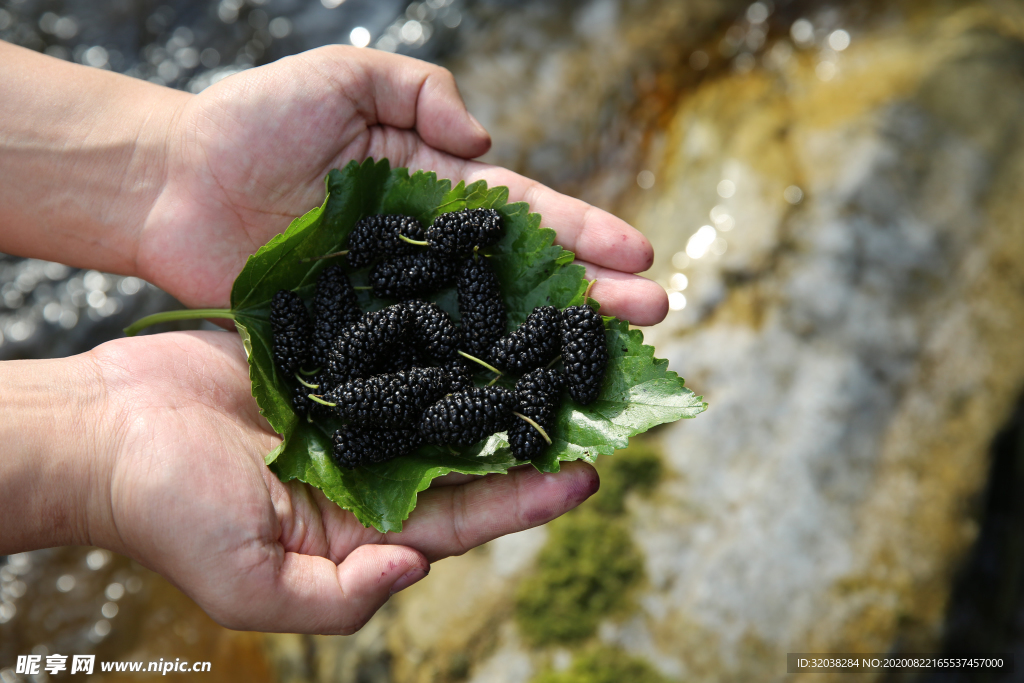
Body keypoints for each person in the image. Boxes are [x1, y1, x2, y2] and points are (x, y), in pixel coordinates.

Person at [0, 41, 668, 634]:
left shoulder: (425, 328)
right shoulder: (359, 327)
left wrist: (173, 161)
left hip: (411, 350)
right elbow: (408, 346)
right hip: (391, 350)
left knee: (424, 356)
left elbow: (415, 348)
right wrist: (101, 452)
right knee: (416, 355)